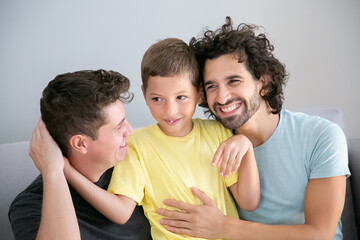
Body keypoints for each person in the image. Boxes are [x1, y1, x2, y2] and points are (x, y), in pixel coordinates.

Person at [157, 17, 350, 239]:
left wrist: (224, 227)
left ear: (264, 83)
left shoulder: (322, 136)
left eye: (234, 81)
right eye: (212, 86)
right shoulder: (206, 141)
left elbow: (320, 234)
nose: (222, 97)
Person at [63, 38, 260, 239]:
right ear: (144, 94)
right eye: (157, 99)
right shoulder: (136, 145)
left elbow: (249, 202)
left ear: (199, 93)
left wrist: (245, 145)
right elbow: (121, 213)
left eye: (181, 97)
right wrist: (67, 172)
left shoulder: (217, 133)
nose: (170, 111)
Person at [8, 70, 152, 240]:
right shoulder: (29, 207)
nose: (130, 131)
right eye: (119, 126)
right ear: (81, 143)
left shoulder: (137, 161)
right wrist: (53, 171)